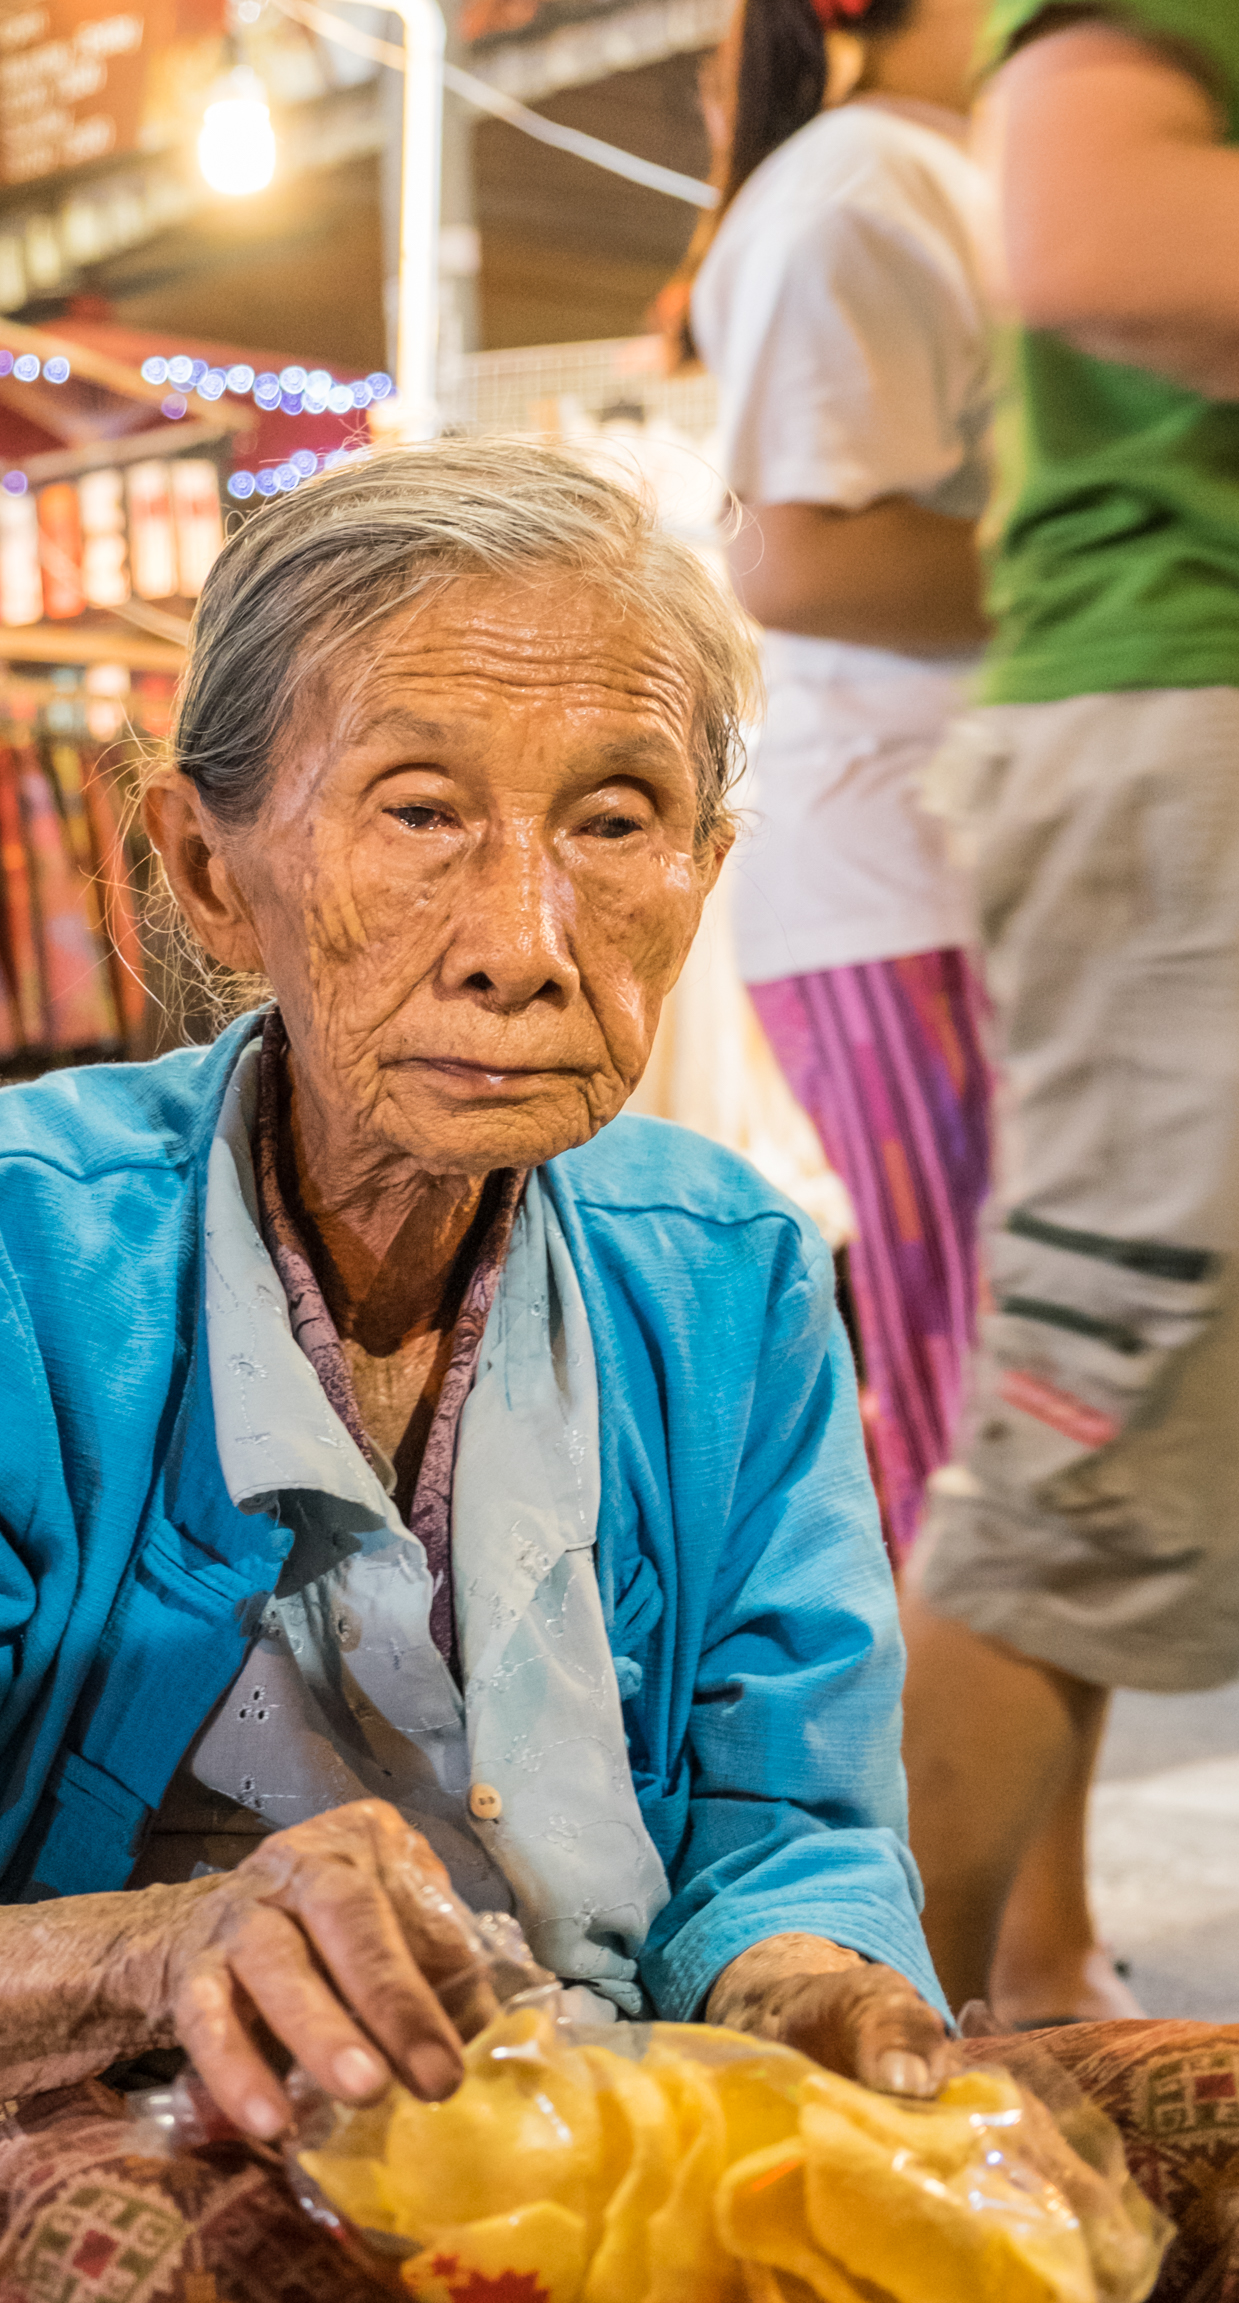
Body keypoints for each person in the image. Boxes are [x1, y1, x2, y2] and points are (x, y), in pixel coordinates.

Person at [0, 443, 954, 2303]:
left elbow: (793, 1834)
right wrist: (163, 1953)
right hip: (73, 2140)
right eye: (421, 812)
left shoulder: (731, 1268)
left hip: (577, 2122)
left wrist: (824, 1999)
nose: (527, 947)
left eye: (617, 821)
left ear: (706, 872)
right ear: (211, 872)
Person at [901, 0, 1239, 2028]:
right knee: (1073, 1448)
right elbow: (1093, 235)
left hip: (1154, 741)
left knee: (1083, 1450)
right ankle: (865, 2086)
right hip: (1182, 736)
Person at [677, 0, 995, 1559]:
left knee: (1037, 1474)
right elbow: (798, 556)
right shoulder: (857, 188)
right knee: (994, 1467)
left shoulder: (941, 173)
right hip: (913, 880)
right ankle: (934, 1813)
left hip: (974, 873)